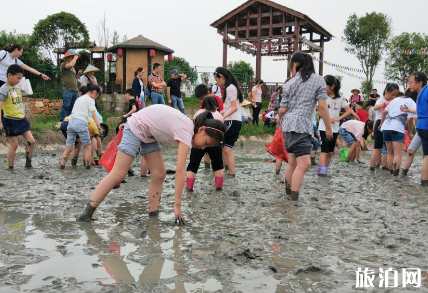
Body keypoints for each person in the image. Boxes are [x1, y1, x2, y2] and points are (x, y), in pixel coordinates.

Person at [76, 105, 225, 223]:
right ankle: (86, 213)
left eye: (207, 147)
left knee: (159, 174)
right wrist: (177, 206)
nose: (203, 148)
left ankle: (153, 214)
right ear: (201, 129)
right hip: (136, 127)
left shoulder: (189, 129)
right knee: (119, 173)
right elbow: (180, 172)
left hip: (149, 134)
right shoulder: (187, 131)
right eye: (206, 142)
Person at [277, 52, 332, 201]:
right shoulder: (319, 80)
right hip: (301, 125)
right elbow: (322, 107)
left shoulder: (289, 82)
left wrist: (279, 121)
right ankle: (294, 199)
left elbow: (282, 109)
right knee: (305, 163)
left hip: (288, 125)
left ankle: (288, 195)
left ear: (295, 64)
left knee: (293, 162)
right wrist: (328, 127)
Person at [0, 64, 36, 169]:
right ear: (9, 75)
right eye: (17, 78)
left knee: (31, 141)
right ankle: (11, 167)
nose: (19, 80)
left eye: (20, 78)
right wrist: (0, 122)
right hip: (10, 121)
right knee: (14, 145)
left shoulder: (16, 87)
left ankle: (28, 164)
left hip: (22, 119)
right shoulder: (3, 89)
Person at [317, 75, 354, 176]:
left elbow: (349, 111)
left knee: (330, 152)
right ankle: (321, 172)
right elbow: (319, 112)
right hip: (323, 126)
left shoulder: (341, 99)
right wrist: (327, 118)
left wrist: (337, 119)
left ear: (332, 86)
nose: (323, 87)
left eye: (325, 85)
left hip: (335, 128)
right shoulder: (322, 97)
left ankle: (325, 171)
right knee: (324, 151)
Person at [60, 84, 103, 169]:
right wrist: (99, 126)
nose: (96, 97)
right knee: (87, 146)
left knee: (69, 147)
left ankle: (62, 166)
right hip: (81, 123)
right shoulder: (90, 100)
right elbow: (94, 114)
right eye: (97, 95)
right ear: (95, 92)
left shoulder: (79, 98)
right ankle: (87, 167)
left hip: (71, 122)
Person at [186, 96, 224, 191]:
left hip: (199, 141)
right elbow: (220, 131)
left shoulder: (198, 113)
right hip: (214, 143)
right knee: (218, 165)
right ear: (215, 105)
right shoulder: (218, 114)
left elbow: (194, 127)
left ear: (203, 105)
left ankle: (189, 188)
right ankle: (218, 188)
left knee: (193, 165)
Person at [213, 67, 243, 176]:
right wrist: (222, 113)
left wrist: (223, 116)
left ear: (222, 77)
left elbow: (234, 107)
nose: (217, 83)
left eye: (217, 80)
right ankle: (228, 172)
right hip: (232, 120)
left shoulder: (230, 88)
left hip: (232, 121)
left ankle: (232, 174)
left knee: (226, 150)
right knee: (224, 149)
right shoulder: (230, 87)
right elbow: (229, 106)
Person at [380, 89, 417, 176]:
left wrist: (381, 124)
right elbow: (409, 119)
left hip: (386, 126)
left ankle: (391, 172)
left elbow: (384, 112)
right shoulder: (411, 101)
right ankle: (395, 175)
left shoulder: (396, 99)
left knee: (389, 152)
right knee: (398, 154)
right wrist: (409, 132)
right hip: (397, 127)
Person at [369, 83, 400, 171]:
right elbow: (375, 108)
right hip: (380, 123)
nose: (393, 96)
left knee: (389, 148)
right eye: (392, 94)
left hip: (390, 124)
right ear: (386, 91)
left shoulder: (395, 101)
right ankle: (372, 167)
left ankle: (389, 168)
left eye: (395, 95)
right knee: (377, 148)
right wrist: (386, 103)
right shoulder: (381, 100)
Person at [411, 72, 428, 186]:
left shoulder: (421, 93)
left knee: (426, 156)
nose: (409, 85)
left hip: (421, 125)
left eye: (411, 82)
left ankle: (424, 183)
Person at [59, 50, 80, 121]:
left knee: (73, 107)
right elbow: (70, 65)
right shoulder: (63, 64)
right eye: (72, 57)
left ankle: (70, 120)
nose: (73, 58)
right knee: (66, 106)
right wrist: (75, 58)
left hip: (75, 90)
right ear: (67, 58)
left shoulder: (73, 68)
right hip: (67, 89)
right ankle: (62, 121)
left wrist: (78, 74)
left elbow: (74, 78)